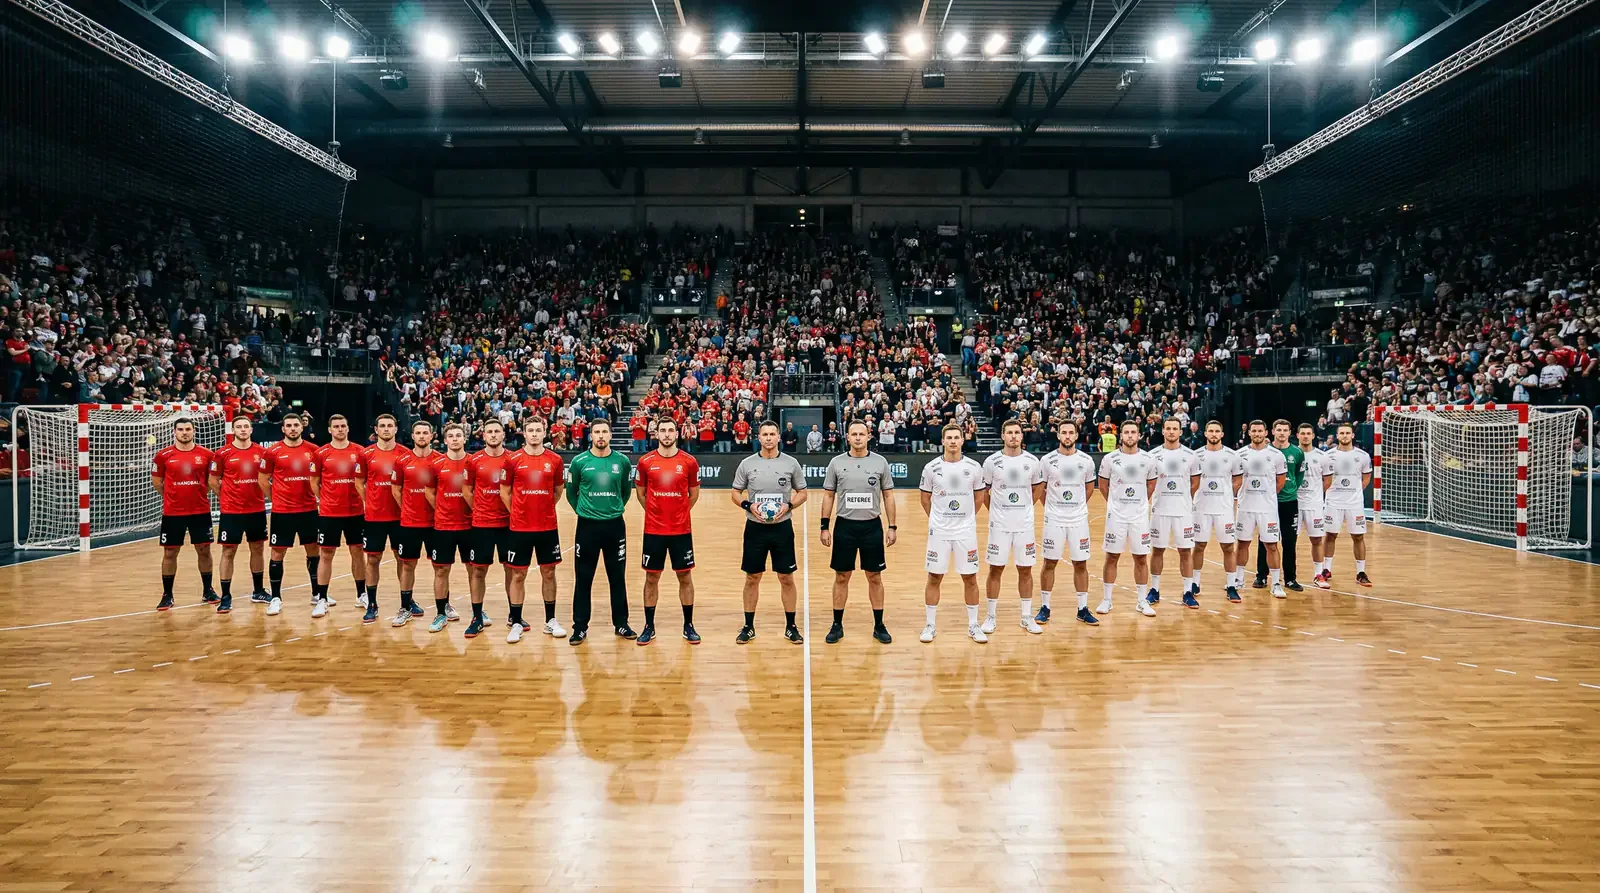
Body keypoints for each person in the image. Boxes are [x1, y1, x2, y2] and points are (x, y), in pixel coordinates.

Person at [731, 420, 808, 644]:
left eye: (772, 434)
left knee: (786, 577)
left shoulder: (791, 463)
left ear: (778, 438)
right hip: (755, 528)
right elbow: (735, 493)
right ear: (759, 437)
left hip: (782, 528)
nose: (768, 438)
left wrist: (789, 506)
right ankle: (748, 626)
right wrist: (748, 505)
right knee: (752, 577)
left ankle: (791, 626)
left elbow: (802, 492)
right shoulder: (747, 464)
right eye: (764, 434)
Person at [819, 420, 896, 645]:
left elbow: (888, 496)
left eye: (862, 434)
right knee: (842, 576)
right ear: (848, 437)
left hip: (872, 526)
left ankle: (879, 624)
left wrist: (892, 526)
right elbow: (828, 496)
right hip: (845, 526)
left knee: (875, 576)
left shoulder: (880, 462)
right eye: (854, 434)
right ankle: (837, 624)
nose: (858, 438)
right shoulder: (836, 463)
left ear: (869, 436)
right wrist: (824, 526)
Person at [566, 419, 634, 645]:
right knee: (584, 578)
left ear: (610, 435)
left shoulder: (622, 461)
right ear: (591, 435)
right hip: (587, 527)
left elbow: (625, 491)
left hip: (615, 526)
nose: (601, 436)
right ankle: (580, 627)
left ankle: (621, 624)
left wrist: (612, 509)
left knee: (617, 577)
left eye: (605, 431)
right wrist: (585, 511)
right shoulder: (579, 462)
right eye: (597, 432)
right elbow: (571, 493)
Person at [918, 422, 988, 643]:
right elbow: (925, 498)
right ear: (943, 441)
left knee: (970, 577)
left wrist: (965, 518)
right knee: (934, 576)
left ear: (962, 440)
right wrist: (937, 519)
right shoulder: (931, 468)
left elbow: (979, 498)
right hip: (939, 532)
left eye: (956, 437)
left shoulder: (974, 467)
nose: (953, 441)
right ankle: (930, 625)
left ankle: (973, 625)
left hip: (965, 532)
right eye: (948, 438)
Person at [499, 416, 567, 644]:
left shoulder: (555, 460)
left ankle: (550, 620)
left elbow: (558, 491)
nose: (535, 434)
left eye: (539, 429)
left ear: (545, 432)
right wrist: (519, 512)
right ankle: (516, 621)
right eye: (531, 430)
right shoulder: (512, 460)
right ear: (524, 434)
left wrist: (543, 508)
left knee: (549, 572)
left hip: (547, 526)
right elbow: (504, 492)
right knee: (518, 573)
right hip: (520, 528)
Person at [634, 417, 701, 645]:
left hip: (681, 530)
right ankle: (649, 626)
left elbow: (693, 494)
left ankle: (688, 625)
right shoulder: (645, 462)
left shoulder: (689, 462)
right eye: (662, 430)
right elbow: (641, 494)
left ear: (677, 433)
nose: (666, 434)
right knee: (651, 577)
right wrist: (657, 513)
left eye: (670, 430)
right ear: (656, 433)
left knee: (685, 576)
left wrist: (678, 512)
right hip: (654, 530)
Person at [981, 419, 1046, 635]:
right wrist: (997, 511)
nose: (1013, 436)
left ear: (1022, 436)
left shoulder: (1032, 462)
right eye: (1009, 432)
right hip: (999, 526)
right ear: (1003, 436)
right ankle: (990, 616)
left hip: (1024, 526)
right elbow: (984, 493)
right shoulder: (991, 462)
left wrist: (1025, 507)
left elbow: (1037, 490)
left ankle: (1026, 617)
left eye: (1017, 432)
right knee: (995, 569)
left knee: (1025, 570)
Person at [1038, 419, 1099, 625]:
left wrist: (1076, 506)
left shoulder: (1086, 461)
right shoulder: (1046, 461)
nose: (1067, 436)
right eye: (1063, 432)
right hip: (1054, 520)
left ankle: (1082, 608)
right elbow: (1041, 490)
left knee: (1080, 563)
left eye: (1070, 432)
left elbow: (1090, 488)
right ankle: (1045, 607)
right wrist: (1053, 508)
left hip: (1078, 520)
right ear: (1058, 435)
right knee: (1049, 563)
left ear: (1076, 435)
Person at [152, 417, 217, 610]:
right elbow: (157, 482)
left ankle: (208, 590)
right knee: (170, 552)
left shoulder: (206, 454)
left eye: (188, 429)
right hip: (173, 513)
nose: (184, 432)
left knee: (204, 550)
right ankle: (167, 595)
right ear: (174, 432)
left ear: (194, 431)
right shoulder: (163, 455)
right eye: (180, 429)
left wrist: (197, 494)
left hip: (200, 511)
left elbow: (210, 482)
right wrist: (172, 497)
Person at [260, 413, 320, 617]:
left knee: (313, 551)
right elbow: (263, 480)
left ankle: (317, 594)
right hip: (282, 512)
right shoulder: (272, 452)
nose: (293, 428)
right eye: (289, 425)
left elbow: (320, 479)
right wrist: (276, 498)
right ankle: (275, 597)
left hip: (309, 510)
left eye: (296, 425)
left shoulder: (313, 451)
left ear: (302, 427)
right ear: (283, 429)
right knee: (277, 553)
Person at [1096, 420, 1159, 617]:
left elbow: (1150, 486)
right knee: (1112, 556)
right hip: (1116, 516)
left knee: (1141, 558)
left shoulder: (1148, 460)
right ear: (1120, 436)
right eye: (1126, 432)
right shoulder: (1109, 459)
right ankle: (1107, 599)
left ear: (1139, 435)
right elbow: (1103, 486)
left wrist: (1138, 503)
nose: (1130, 436)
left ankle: (1141, 601)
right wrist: (1115, 504)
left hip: (1139, 516)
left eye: (1133, 432)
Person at [209, 415, 268, 614]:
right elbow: (213, 480)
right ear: (233, 430)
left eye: (246, 426)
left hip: (257, 509)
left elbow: (268, 478)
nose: (243, 430)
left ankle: (258, 590)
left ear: (251, 430)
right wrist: (226, 497)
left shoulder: (262, 452)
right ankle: (225, 596)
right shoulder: (222, 453)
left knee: (258, 548)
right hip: (232, 511)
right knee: (228, 551)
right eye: (239, 427)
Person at [311, 414, 366, 618]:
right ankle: (322, 598)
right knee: (326, 554)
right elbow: (314, 482)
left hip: (355, 512)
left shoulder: (360, 451)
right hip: (329, 513)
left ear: (348, 428)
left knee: (358, 552)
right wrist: (326, 498)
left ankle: (362, 595)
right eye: (336, 426)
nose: (340, 429)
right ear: (329, 430)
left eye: (343, 426)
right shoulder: (321, 453)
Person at [424, 423, 475, 633]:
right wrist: (442, 510)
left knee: (474, 570)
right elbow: (428, 492)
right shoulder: (435, 465)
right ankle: (441, 613)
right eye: (451, 436)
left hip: (470, 526)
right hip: (443, 526)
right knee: (441, 570)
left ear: (464, 439)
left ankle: (477, 612)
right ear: (445, 440)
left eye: (458, 436)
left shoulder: (474, 462)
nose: (455, 439)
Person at [1146, 417, 1202, 609]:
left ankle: (1187, 591)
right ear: (1163, 431)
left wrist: (1185, 499)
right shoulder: (1152, 455)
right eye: (1168, 428)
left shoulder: (1191, 455)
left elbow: (1195, 482)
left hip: (1183, 511)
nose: (1171, 432)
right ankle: (1154, 590)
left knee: (1185, 551)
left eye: (1175, 429)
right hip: (1160, 510)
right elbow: (1149, 483)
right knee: (1157, 550)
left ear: (1180, 432)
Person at [389, 421, 440, 626]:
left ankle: (443, 608)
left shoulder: (440, 460)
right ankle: (406, 606)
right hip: (409, 523)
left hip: (436, 524)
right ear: (412, 436)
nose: (421, 436)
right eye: (418, 433)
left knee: (440, 567)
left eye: (425, 433)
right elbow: (396, 491)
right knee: (408, 564)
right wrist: (408, 510)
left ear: (432, 436)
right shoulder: (402, 461)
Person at [465, 419, 512, 637]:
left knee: (511, 569)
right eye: (489, 432)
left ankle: (515, 614)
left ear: (504, 435)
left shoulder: (513, 459)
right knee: (478, 570)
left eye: (497, 431)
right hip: (482, 524)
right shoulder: (474, 461)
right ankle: (477, 616)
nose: (493, 435)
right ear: (483, 436)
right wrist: (480, 509)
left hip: (508, 525)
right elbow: (467, 490)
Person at [1191, 420, 1245, 604]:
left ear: (1222, 434)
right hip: (1201, 508)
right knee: (1199, 546)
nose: (1214, 434)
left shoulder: (1232, 456)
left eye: (1217, 431)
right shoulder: (1196, 455)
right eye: (1210, 431)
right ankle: (1194, 583)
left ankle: (1231, 585)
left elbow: (1238, 480)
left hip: (1224, 509)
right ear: (1205, 434)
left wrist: (1227, 495)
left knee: (1228, 547)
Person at [358, 414, 405, 625]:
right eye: (382, 426)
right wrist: (369, 502)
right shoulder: (366, 454)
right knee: (373, 560)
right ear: (376, 430)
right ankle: (372, 604)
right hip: (374, 517)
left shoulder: (405, 454)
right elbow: (359, 482)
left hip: (400, 517)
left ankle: (406, 602)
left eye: (390, 426)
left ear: (396, 429)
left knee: (402, 559)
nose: (386, 429)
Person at [1236, 419, 1289, 599]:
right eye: (1254, 431)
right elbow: (1235, 481)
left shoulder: (1277, 455)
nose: (1257, 434)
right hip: (1245, 507)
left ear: (1266, 433)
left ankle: (1275, 583)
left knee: (1272, 545)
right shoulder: (1239, 455)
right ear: (1249, 433)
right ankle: (1238, 579)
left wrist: (1266, 496)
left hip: (1268, 509)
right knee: (1242, 543)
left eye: (1260, 431)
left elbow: (1280, 481)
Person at [1321, 422, 1374, 587]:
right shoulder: (1327, 456)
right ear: (1337, 436)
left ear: (1352, 435)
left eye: (1347, 433)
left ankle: (1361, 572)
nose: (1344, 435)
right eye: (1341, 433)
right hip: (1333, 502)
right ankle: (1326, 569)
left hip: (1354, 503)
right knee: (1330, 535)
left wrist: (1355, 491)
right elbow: (1324, 478)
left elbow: (1366, 478)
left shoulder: (1363, 456)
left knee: (1358, 536)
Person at [1254, 419, 1303, 590]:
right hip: (1266, 503)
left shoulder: (1297, 452)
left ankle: (1290, 578)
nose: (1282, 433)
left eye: (1285, 430)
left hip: (1288, 501)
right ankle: (1261, 576)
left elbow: (1298, 476)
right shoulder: (1264, 451)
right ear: (1272, 432)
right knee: (1264, 540)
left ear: (1290, 432)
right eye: (1279, 430)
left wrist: (1289, 489)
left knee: (1289, 541)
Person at [1295, 422, 1333, 590]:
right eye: (1302, 433)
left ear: (1312, 436)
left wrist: (1314, 495)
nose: (1305, 436)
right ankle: (1288, 575)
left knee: (1317, 539)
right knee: (1288, 541)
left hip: (1314, 505)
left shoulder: (1322, 456)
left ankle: (1318, 574)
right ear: (1297, 435)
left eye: (1308, 433)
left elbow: (1327, 481)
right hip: (1293, 504)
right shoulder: (1290, 454)